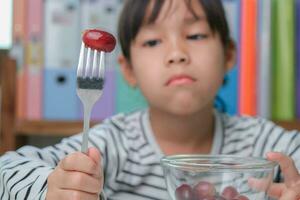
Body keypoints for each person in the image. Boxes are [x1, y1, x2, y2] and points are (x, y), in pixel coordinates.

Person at [1, 0, 300, 199]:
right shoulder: (114, 144)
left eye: (195, 35)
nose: (176, 53)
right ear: (128, 70)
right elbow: (8, 168)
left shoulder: (262, 142)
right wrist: (51, 188)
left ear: (229, 55)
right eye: (153, 41)